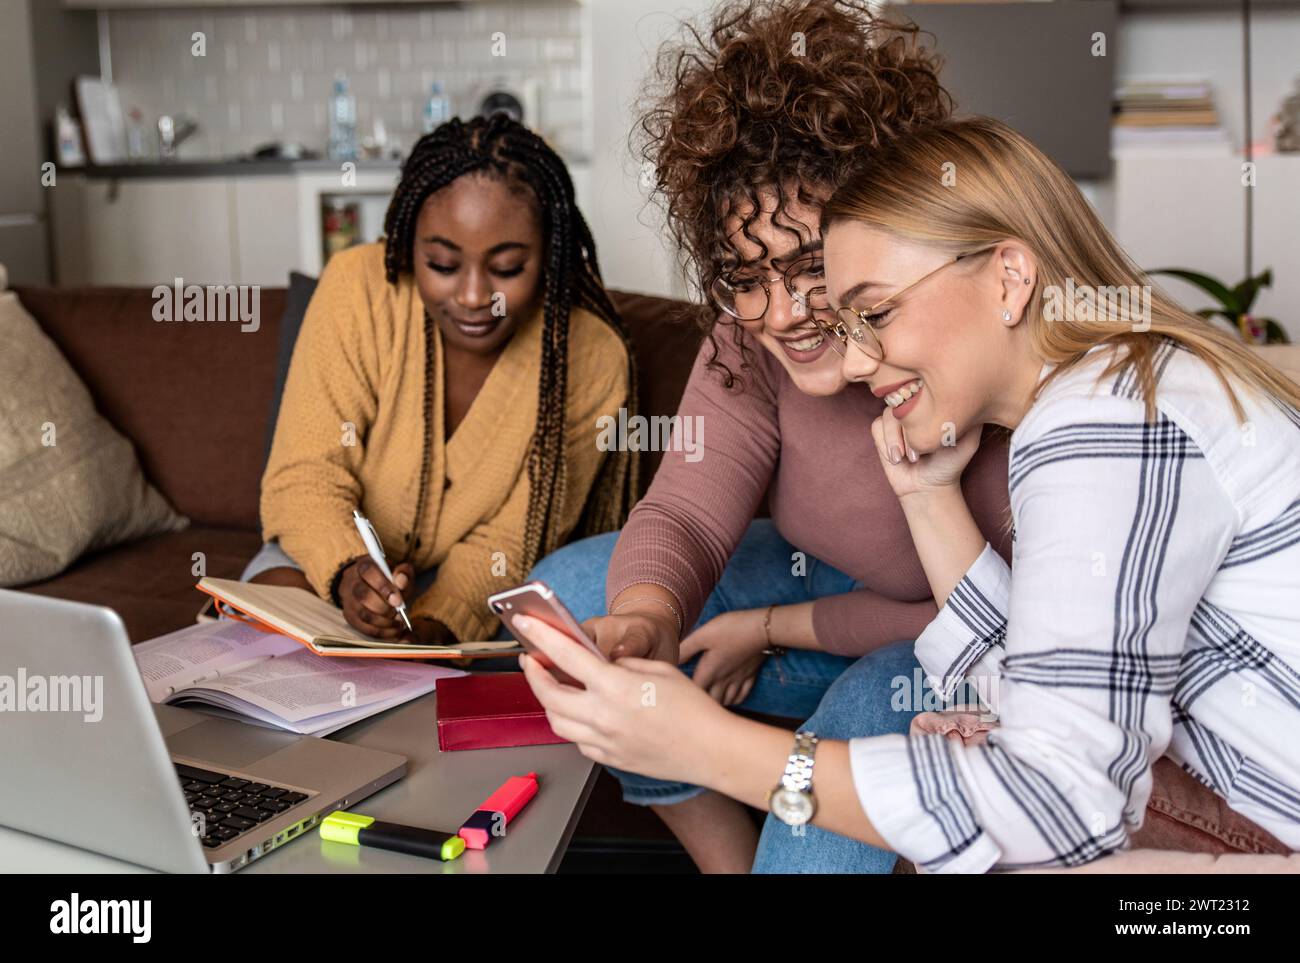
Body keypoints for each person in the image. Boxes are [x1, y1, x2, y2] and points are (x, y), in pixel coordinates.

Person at [515, 116, 1300, 871]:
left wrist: (708, 746)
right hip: (1234, 785)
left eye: (875, 311)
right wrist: (928, 496)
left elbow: (1059, 802)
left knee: (963, 807)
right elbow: (1034, 658)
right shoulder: (1099, 394)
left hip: (1262, 819)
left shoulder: (1103, 424)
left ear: (1010, 276)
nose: (854, 365)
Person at [527, 0, 1010, 872]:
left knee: (838, 770)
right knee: (574, 599)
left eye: (812, 266)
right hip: (833, 592)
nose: (782, 314)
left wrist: (773, 626)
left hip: (955, 633)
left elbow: (989, 618)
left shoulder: (963, 342)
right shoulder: (745, 345)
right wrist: (645, 619)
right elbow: (683, 511)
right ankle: (723, 861)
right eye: (746, 278)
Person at [242, 114, 637, 647]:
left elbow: (515, 537)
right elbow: (306, 474)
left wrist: (429, 628)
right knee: (266, 624)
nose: (474, 296)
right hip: (328, 559)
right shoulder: (356, 290)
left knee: (527, 638)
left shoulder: (589, 356)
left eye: (507, 268)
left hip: (478, 590)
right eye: (443, 264)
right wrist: (350, 574)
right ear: (408, 246)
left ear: (550, 257)